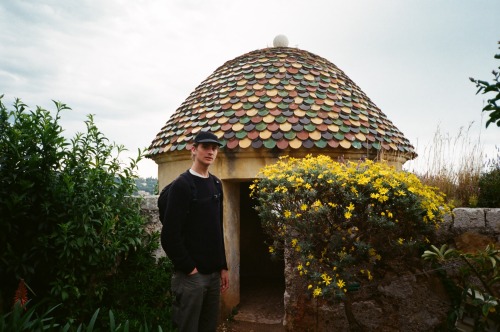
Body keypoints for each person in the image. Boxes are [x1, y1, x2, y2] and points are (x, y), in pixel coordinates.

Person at [161, 131, 229, 332]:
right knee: (187, 328)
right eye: (205, 147)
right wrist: (190, 269)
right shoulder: (183, 185)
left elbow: (217, 229)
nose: (211, 152)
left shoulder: (216, 184)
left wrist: (223, 266)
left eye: (214, 148)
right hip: (192, 277)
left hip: (213, 275)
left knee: (208, 327)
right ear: (194, 149)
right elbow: (169, 235)